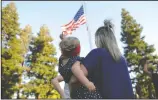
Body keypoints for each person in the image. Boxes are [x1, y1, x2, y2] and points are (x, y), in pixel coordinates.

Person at [72, 19, 134, 98]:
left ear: (99, 40)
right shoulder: (122, 59)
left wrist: (77, 62)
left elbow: (74, 79)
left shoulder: (97, 53)